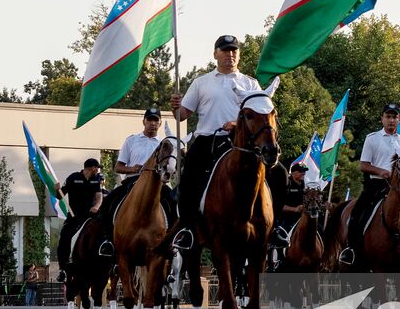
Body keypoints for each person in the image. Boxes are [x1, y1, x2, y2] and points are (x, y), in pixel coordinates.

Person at [166, 34, 264, 251]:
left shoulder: (251, 83)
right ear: (215, 54)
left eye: (234, 51)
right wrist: (175, 107)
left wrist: (238, 125)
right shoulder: (201, 82)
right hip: (207, 141)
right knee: (189, 179)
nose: (230, 54)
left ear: (239, 54)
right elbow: (183, 115)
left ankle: (270, 227)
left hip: (241, 143)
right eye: (225, 50)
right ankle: (187, 229)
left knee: (276, 174)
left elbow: (262, 116)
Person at [98, 108, 178, 255]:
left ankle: (172, 242)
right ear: (144, 122)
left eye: (156, 121)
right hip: (133, 180)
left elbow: (171, 165)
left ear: (160, 124)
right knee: (109, 201)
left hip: (157, 183)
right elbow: (118, 167)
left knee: (175, 204)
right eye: (150, 120)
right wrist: (132, 169)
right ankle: (109, 241)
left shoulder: (164, 143)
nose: (153, 124)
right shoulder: (131, 140)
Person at [340, 102, 400, 265]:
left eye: (394, 117)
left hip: (398, 188)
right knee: (358, 212)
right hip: (376, 186)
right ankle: (351, 250)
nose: (391, 120)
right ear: (381, 119)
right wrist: (381, 172)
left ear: (399, 119)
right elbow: (363, 164)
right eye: (388, 117)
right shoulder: (372, 138)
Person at [53, 158, 105, 282]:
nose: (97, 170)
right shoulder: (73, 178)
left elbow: (99, 197)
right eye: (97, 168)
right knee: (64, 238)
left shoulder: (96, 180)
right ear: (92, 168)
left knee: (105, 233)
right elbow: (59, 196)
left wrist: (96, 207)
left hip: (90, 216)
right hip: (74, 216)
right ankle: (63, 269)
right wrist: (57, 189)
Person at [270, 161, 308, 252]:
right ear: (293, 172)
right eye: (300, 171)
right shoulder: (286, 184)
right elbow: (277, 204)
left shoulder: (304, 184)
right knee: (282, 236)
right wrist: (294, 209)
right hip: (286, 218)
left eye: (304, 171)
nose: (303, 173)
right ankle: (276, 257)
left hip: (301, 217)